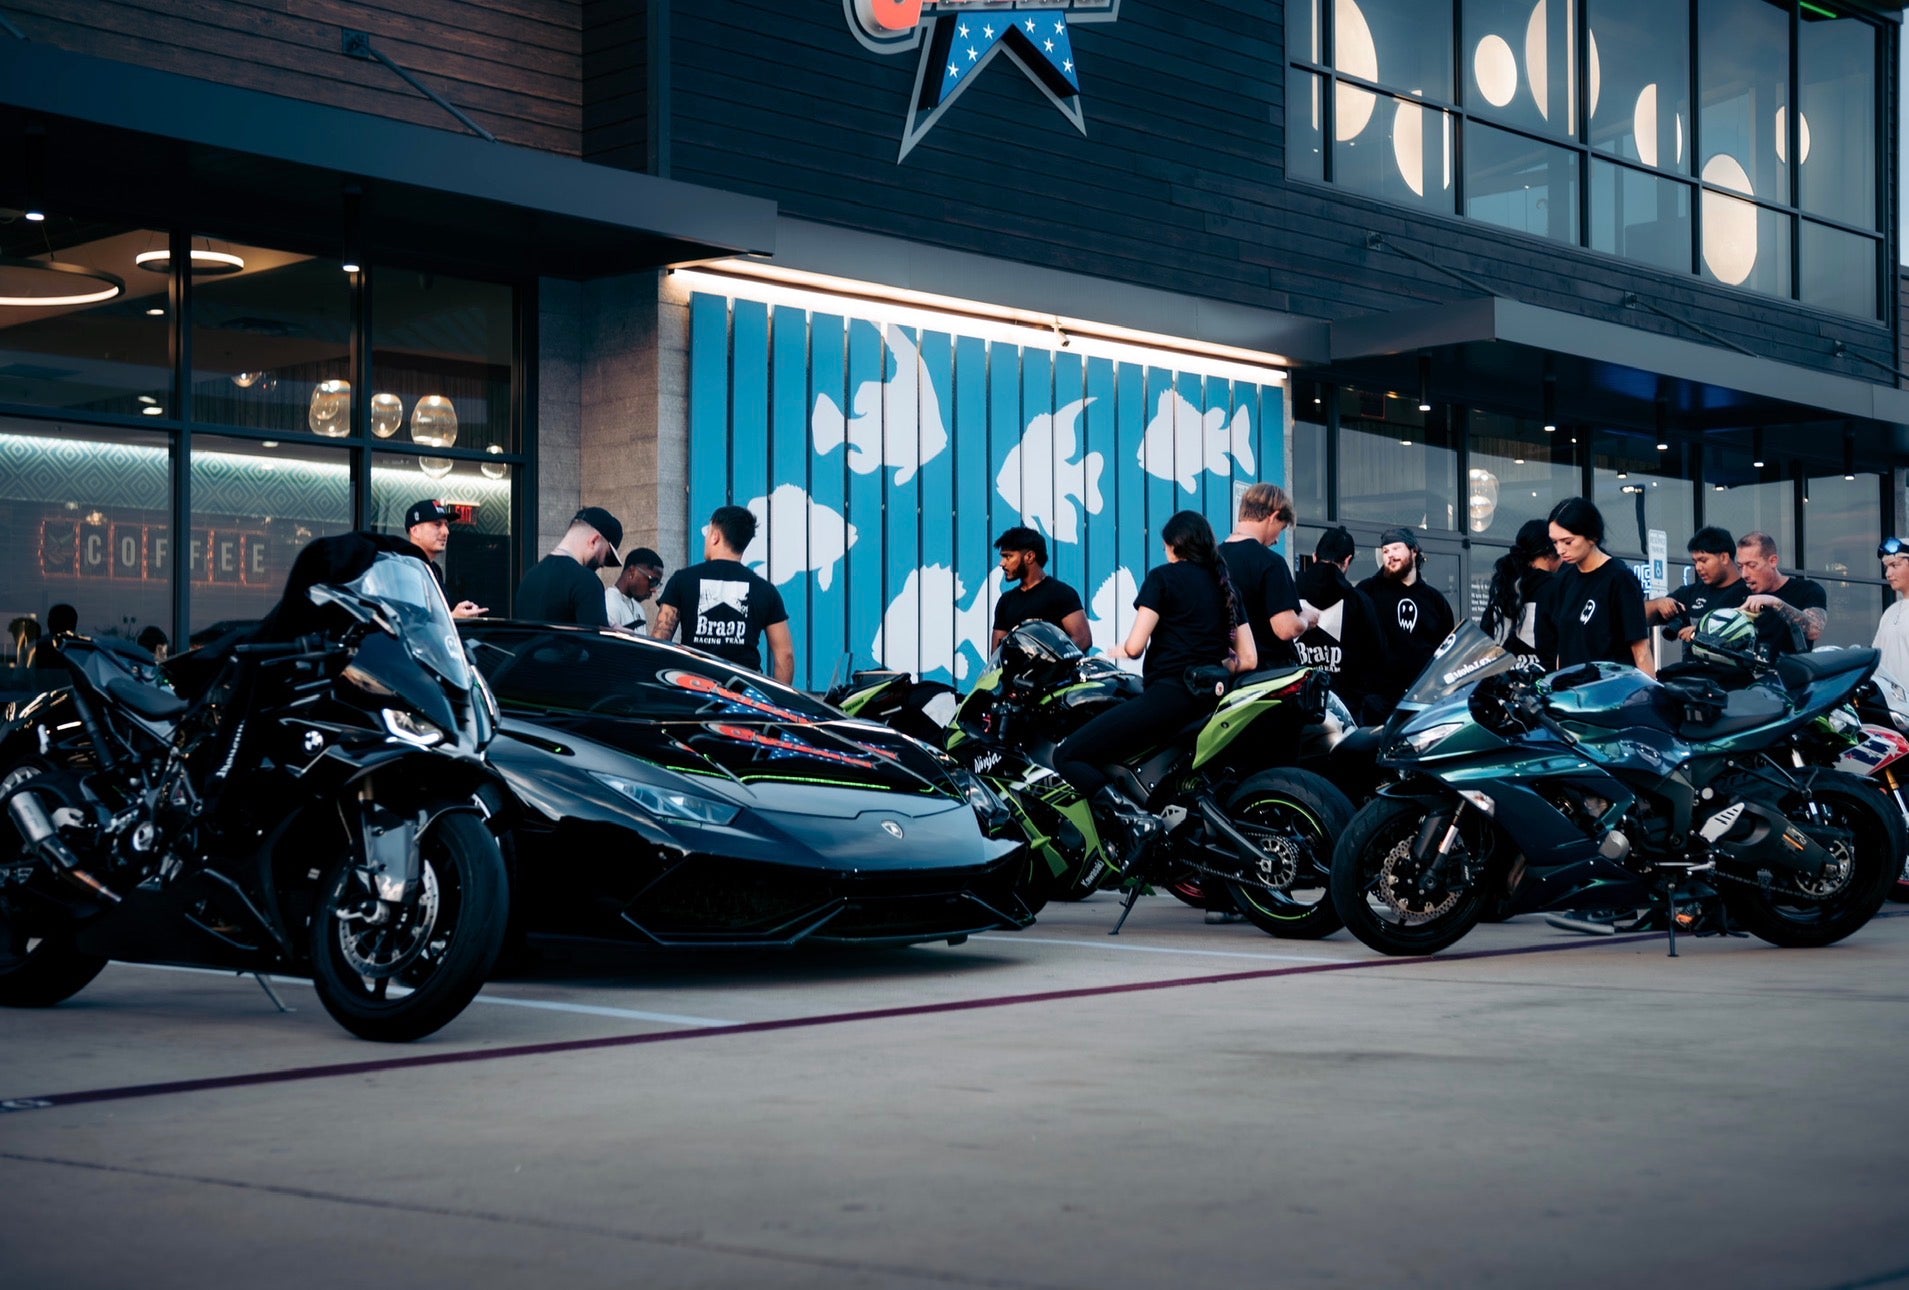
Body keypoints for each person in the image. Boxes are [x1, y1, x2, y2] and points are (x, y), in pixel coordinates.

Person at [1053, 510, 1255, 878]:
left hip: (1168, 699)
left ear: (1175, 546)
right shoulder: (1224, 585)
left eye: (1165, 546)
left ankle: (1133, 820)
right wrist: (1215, 664)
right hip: (1210, 702)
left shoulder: (1163, 578)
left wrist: (1115, 651)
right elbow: (1249, 659)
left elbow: (1135, 647)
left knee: (1068, 755)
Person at [652, 505, 795, 683]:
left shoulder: (682, 580)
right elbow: (785, 656)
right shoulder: (765, 590)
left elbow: (659, 642)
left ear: (715, 536)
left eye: (708, 532)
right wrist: (775, 699)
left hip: (693, 687)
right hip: (743, 691)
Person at [1538, 498, 1652, 676]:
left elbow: (1641, 650)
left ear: (1592, 537)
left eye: (1567, 542)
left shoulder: (1620, 579)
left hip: (1611, 687)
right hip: (1572, 688)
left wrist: (1650, 690)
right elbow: (1563, 646)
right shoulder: (1564, 580)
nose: (1560, 550)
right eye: (1555, 542)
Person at [1294, 527, 1387, 723]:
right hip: (1346, 712)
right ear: (1347, 561)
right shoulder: (1361, 602)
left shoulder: (1290, 593)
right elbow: (1377, 659)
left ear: (1314, 556)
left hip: (1295, 707)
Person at [1357, 527, 1455, 711]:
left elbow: (1447, 651)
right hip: (1376, 702)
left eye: (1396, 548)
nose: (1390, 555)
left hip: (1422, 702)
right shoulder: (1367, 591)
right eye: (1385, 551)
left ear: (1413, 551)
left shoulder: (1435, 600)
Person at [1218, 482, 1304, 670]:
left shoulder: (1210, 559)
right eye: (1281, 528)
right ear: (1273, 517)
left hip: (1226, 670)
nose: (1277, 540)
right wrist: (1305, 620)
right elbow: (1285, 628)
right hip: (1268, 674)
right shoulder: (1271, 562)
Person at [515, 506, 624, 627]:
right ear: (594, 541)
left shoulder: (529, 577)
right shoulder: (586, 581)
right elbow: (595, 638)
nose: (602, 564)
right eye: (607, 555)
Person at [990, 526, 1090, 652]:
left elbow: (1083, 638)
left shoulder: (1061, 594)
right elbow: (996, 654)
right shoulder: (1005, 601)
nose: (1002, 563)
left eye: (1008, 556)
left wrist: (1049, 661)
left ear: (1030, 556)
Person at [1645, 527, 1747, 645]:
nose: (1698, 567)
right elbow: (1636, 618)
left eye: (1703, 560)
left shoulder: (1749, 594)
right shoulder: (1691, 593)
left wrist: (1701, 632)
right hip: (1690, 657)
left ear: (1724, 557)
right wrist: (1657, 604)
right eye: (1695, 562)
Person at [1479, 519, 1559, 658]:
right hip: (1542, 670)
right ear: (1550, 553)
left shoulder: (1502, 587)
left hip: (1502, 669)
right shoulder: (1555, 588)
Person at [1737, 531, 1826, 652]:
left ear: (1773, 561)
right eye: (1740, 566)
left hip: (1789, 664)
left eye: (1752, 565)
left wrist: (1775, 603)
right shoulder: (1739, 592)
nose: (1744, 574)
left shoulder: (1807, 590)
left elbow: (1814, 631)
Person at [404, 498, 487, 619]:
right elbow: (409, 621)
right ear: (415, 531)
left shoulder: (435, 569)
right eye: (437, 524)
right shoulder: (402, 568)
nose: (446, 532)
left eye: (446, 525)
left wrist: (460, 614)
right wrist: (453, 618)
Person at [604, 547, 665, 632]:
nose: (654, 589)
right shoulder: (609, 602)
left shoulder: (638, 609)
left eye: (657, 584)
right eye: (653, 581)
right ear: (632, 572)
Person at [1875, 537, 1909, 683]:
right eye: (1886, 567)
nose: (1888, 574)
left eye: (1895, 565)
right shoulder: (1890, 612)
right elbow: (1877, 661)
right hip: (1889, 697)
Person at [29, 603, 77, 673]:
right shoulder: (84, 649)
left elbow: (20, 677)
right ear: (74, 625)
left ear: (49, 622)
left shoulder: (32, 650)